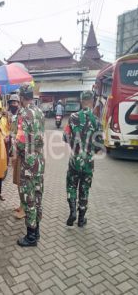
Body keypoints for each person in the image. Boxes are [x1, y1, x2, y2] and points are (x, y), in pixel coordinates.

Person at [63, 90, 103, 228]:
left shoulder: (72, 117)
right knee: (84, 189)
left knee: (71, 185)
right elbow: (99, 145)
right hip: (88, 162)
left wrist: (75, 147)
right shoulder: (97, 121)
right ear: (92, 101)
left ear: (81, 101)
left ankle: (72, 212)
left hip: (74, 160)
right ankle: (81, 219)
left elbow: (65, 137)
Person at [16, 85, 45, 247]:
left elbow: (20, 142)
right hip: (40, 161)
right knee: (38, 194)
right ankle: (37, 230)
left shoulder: (23, 114)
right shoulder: (40, 112)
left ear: (21, 97)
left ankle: (31, 236)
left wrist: (18, 152)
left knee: (28, 198)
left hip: (28, 162)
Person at [7, 93, 25, 220]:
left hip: (21, 152)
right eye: (11, 103)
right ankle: (21, 204)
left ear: (19, 103)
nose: (13, 104)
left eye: (15, 102)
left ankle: (24, 208)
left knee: (22, 180)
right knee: (18, 181)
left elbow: (20, 135)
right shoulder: (12, 116)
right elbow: (12, 133)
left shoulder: (22, 115)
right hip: (15, 151)